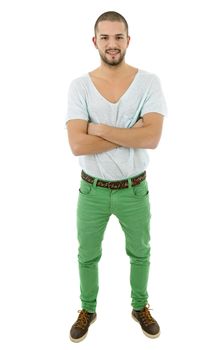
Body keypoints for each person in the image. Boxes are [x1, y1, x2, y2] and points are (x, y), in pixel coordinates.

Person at [65, 11, 167, 343]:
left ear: (128, 40)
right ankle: (87, 308)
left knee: (140, 252)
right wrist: (130, 132)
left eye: (118, 37)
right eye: (105, 37)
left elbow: (152, 138)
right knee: (87, 254)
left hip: (134, 191)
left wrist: (102, 129)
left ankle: (140, 306)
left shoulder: (148, 82)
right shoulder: (79, 86)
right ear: (95, 41)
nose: (112, 44)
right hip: (91, 191)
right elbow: (78, 144)